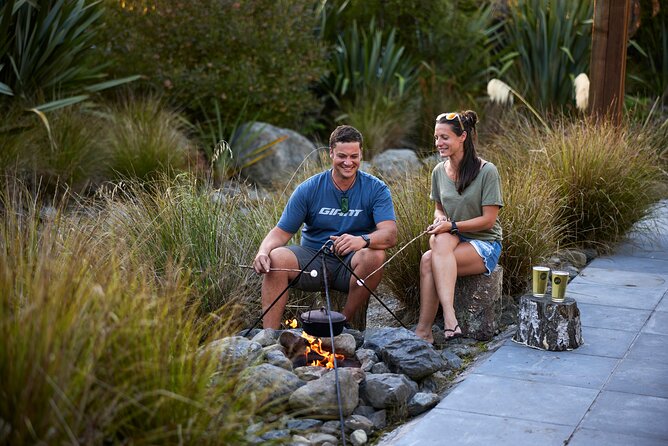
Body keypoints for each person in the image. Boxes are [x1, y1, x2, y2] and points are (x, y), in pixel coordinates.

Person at [253, 125, 398, 329]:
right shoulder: (309, 188)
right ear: (331, 153)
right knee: (276, 258)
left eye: (354, 156)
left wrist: (361, 240)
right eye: (341, 156)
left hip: (350, 264)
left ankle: (342, 323)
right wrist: (263, 252)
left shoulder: (376, 189)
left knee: (375, 256)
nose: (348, 162)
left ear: (361, 154)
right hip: (313, 258)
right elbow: (281, 232)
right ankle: (269, 335)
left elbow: (390, 235)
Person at [415, 111, 503, 343]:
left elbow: (488, 220)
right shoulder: (438, 172)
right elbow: (439, 208)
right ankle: (427, 330)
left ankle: (446, 319)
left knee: (428, 259)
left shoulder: (487, 171)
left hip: (483, 242)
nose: (438, 143)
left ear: (462, 137)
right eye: (436, 138)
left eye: (444, 137)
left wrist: (451, 225)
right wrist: (440, 219)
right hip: (453, 237)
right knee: (436, 243)